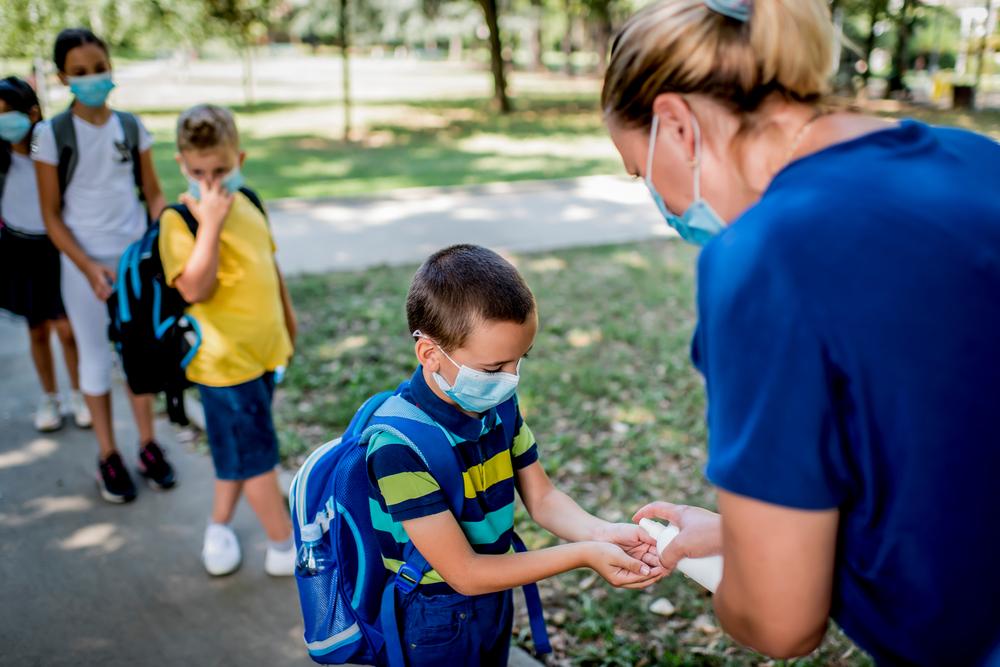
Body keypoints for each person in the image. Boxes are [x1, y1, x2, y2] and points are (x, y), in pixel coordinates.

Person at [600, 0, 1000, 665]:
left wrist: (744, 583)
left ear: (674, 124)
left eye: (641, 173)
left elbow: (781, 622)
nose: (662, 203)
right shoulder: (976, 160)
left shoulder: (765, 259)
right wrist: (746, 535)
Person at [367, 244, 663, 665]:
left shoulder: (497, 405)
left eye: (520, 360)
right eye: (493, 368)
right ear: (430, 353)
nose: (510, 380)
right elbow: (465, 573)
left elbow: (542, 498)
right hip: (435, 616)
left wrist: (600, 533)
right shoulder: (399, 447)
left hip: (495, 590)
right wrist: (582, 555)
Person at [33, 28, 175, 503]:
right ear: (62, 78)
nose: (93, 78)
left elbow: (152, 193)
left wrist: (161, 242)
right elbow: (51, 215)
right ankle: (108, 455)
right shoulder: (49, 136)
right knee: (95, 357)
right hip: (83, 267)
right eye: (80, 72)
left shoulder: (132, 127)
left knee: (138, 357)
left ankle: (147, 446)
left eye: (99, 68)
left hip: (134, 263)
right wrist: (89, 268)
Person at [159, 104, 298, 576]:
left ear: (240, 158)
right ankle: (286, 550)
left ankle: (218, 526)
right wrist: (211, 224)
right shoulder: (178, 222)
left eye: (221, 170)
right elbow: (196, 287)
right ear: (182, 164)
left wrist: (288, 325)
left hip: (263, 356)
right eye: (199, 172)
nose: (212, 184)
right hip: (222, 366)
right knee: (258, 456)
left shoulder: (251, 202)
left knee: (241, 448)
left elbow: (269, 267)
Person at [0, 76, 90, 432]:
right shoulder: (1, 158)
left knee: (68, 330)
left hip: (56, 246)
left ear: (32, 112)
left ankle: (80, 393)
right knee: (37, 331)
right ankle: (50, 397)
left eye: (8, 114)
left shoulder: (52, 150)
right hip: (18, 250)